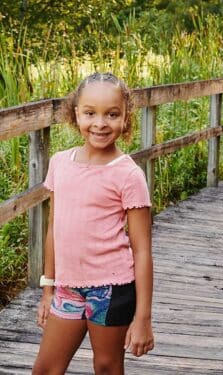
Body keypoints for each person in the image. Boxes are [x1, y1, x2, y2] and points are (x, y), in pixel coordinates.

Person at [32, 72, 154, 374]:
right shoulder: (60, 163)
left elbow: (141, 251)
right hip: (67, 289)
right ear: (76, 114)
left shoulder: (128, 174)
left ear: (125, 117)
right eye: (90, 113)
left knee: (106, 367)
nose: (100, 123)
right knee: (46, 369)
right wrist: (48, 288)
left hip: (111, 289)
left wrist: (143, 318)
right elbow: (54, 230)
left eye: (112, 114)